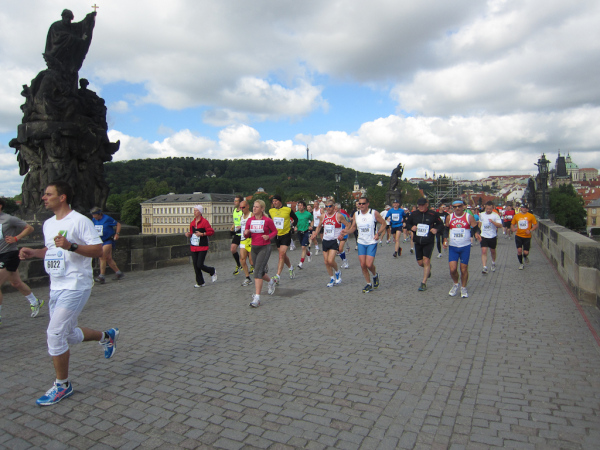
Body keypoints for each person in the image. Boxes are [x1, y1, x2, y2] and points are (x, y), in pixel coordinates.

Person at [19, 181, 118, 406]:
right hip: (56, 285)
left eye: (48, 194)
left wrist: (72, 246)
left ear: (62, 197)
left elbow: (98, 250)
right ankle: (107, 336)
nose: (43, 198)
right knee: (69, 334)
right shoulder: (48, 224)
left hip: (76, 284)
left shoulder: (80, 221)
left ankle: (62, 385)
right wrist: (33, 252)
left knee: (55, 334)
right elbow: (51, 250)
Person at [0, 198, 44, 324]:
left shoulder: (9, 219)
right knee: (16, 283)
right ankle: (35, 301)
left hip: (9, 254)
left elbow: (29, 228)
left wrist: (16, 238)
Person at [341, 197, 387, 293]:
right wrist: (347, 231)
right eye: (359, 204)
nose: (361, 205)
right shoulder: (356, 214)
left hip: (371, 242)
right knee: (363, 265)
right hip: (361, 242)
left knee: (369, 264)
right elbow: (353, 227)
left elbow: (384, 223)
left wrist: (378, 233)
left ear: (367, 204)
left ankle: (375, 275)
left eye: (363, 203)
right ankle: (368, 284)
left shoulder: (373, 213)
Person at [244, 200, 278, 307]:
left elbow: (275, 231)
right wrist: (246, 233)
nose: (254, 208)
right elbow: (247, 235)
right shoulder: (250, 220)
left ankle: (257, 298)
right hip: (254, 247)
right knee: (260, 271)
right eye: (254, 206)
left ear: (262, 209)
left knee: (257, 272)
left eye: (257, 207)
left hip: (264, 247)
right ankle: (271, 282)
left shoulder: (267, 220)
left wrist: (268, 236)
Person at [405, 198, 444, 291]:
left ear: (427, 205)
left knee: (426, 260)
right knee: (420, 263)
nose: (421, 207)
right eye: (419, 205)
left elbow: (441, 225)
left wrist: (436, 229)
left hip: (428, 241)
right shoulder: (414, 214)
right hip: (418, 241)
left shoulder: (433, 214)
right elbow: (407, 223)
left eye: (423, 205)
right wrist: (411, 227)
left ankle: (423, 282)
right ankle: (428, 268)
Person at [443, 199, 479, 298]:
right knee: (453, 269)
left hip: (465, 246)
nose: (457, 208)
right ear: (452, 208)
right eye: (455, 207)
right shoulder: (449, 217)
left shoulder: (468, 216)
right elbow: (446, 229)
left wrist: (477, 234)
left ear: (463, 207)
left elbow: (476, 228)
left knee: (463, 269)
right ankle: (455, 284)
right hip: (453, 246)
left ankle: (463, 287)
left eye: (459, 206)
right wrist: (445, 240)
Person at [312, 200, 352, 286]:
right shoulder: (323, 216)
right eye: (326, 206)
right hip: (325, 240)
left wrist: (343, 233)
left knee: (330, 260)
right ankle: (332, 278)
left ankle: (337, 271)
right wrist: (315, 233)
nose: (328, 208)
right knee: (326, 262)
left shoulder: (338, 216)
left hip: (334, 240)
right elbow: (319, 226)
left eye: (330, 206)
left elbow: (348, 224)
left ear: (333, 207)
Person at [185, 205, 217, 287]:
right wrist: (189, 234)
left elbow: (211, 232)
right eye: (194, 210)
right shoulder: (192, 223)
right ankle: (200, 282)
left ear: (200, 212)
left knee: (199, 264)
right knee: (195, 265)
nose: (195, 212)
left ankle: (212, 270)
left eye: (196, 210)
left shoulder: (204, 222)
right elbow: (192, 233)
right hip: (194, 246)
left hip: (202, 246)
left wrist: (202, 234)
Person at [90, 207, 124, 284]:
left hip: (108, 240)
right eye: (93, 215)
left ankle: (101, 276)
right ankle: (118, 273)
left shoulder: (107, 218)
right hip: (99, 241)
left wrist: (117, 234)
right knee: (108, 258)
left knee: (102, 256)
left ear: (99, 214)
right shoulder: (94, 220)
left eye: (95, 215)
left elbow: (118, 224)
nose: (94, 216)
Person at [269, 195, 298, 284]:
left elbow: (296, 218)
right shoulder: (271, 211)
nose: (274, 203)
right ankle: (290, 267)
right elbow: (268, 222)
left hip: (286, 234)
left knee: (281, 255)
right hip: (277, 235)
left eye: (276, 201)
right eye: (273, 201)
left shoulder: (287, 210)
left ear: (280, 201)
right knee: (283, 255)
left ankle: (277, 276)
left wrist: (293, 226)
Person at [478, 201, 503, 274]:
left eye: (490, 209)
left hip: (492, 236)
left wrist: (493, 222)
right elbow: (480, 223)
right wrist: (478, 232)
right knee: (484, 251)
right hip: (484, 235)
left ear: (492, 208)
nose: (488, 210)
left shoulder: (495, 215)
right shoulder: (481, 214)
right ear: (485, 208)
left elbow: (500, 225)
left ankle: (493, 262)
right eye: (487, 209)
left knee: (493, 251)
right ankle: (484, 267)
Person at [511, 204, 538, 270]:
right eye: (523, 207)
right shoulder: (516, 216)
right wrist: (513, 228)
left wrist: (530, 230)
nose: (524, 209)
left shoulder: (531, 216)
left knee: (526, 252)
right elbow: (512, 224)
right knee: (519, 250)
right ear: (521, 208)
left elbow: (535, 225)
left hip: (527, 236)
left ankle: (525, 256)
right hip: (518, 235)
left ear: (527, 209)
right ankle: (521, 264)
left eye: (525, 208)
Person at [238, 200, 254, 286]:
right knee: (242, 259)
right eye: (240, 208)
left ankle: (262, 267)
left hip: (251, 239)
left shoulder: (252, 215)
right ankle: (247, 277)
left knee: (252, 261)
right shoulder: (241, 217)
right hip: (243, 239)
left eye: (243, 207)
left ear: (247, 206)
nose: (242, 209)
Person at [295, 201, 313, 269]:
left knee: (303, 247)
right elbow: (294, 221)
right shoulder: (296, 214)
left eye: (301, 205)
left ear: (304, 207)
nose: (300, 207)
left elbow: (312, 220)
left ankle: (301, 263)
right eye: (299, 205)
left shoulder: (308, 214)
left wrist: (311, 226)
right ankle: (309, 254)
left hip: (306, 231)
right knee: (304, 247)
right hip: (299, 231)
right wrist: (295, 226)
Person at [230, 195, 244, 275]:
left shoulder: (243, 211)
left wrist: (241, 227)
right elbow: (235, 221)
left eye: (236, 201)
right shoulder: (235, 210)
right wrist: (232, 227)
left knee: (246, 253)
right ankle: (239, 264)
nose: (234, 202)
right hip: (237, 233)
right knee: (233, 249)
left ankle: (253, 266)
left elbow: (246, 221)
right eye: (234, 200)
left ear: (240, 202)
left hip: (243, 233)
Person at [335, 203, 350, 268]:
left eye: (336, 209)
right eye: (334, 209)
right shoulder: (333, 216)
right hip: (336, 234)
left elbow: (349, 223)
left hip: (343, 234)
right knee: (338, 249)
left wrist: (346, 231)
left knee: (340, 248)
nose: (335, 210)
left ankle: (345, 262)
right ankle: (344, 260)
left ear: (339, 209)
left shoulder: (344, 216)